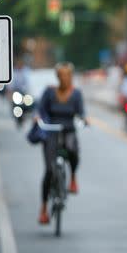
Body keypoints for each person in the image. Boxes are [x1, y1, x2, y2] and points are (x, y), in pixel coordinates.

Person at [36, 62, 86, 224]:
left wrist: (84, 119)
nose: (65, 79)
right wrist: (38, 117)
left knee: (73, 152)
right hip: (51, 131)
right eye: (62, 76)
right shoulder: (49, 92)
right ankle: (43, 208)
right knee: (49, 170)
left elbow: (81, 112)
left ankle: (72, 177)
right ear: (58, 77)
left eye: (68, 76)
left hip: (69, 130)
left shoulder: (76, 94)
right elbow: (41, 110)